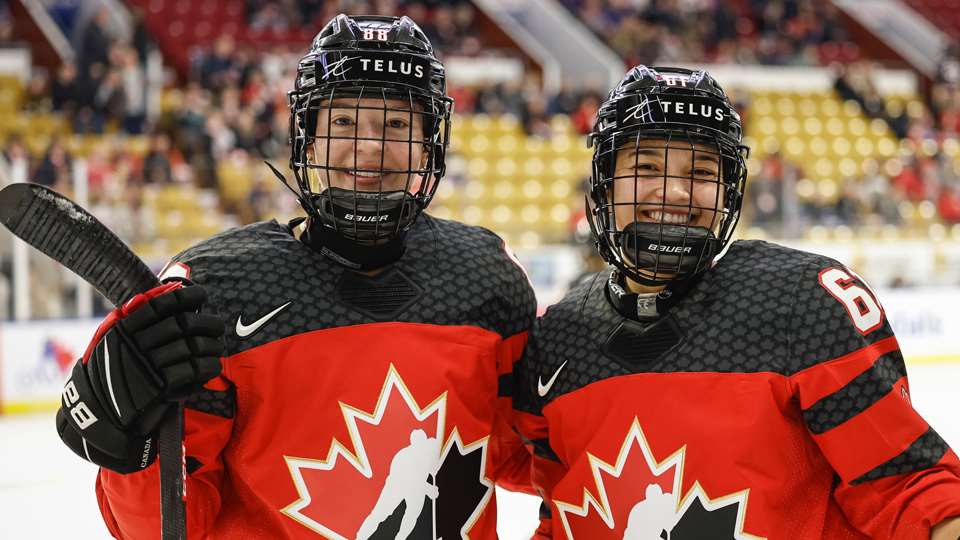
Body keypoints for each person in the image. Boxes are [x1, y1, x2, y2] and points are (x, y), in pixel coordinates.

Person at [55, 14, 536, 539]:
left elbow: (534, 455)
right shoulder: (217, 289)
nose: (370, 146)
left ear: (429, 145)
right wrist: (132, 451)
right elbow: (167, 528)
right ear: (307, 140)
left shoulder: (487, 277)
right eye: (345, 123)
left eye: (397, 124)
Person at [511, 65, 960, 539]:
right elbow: (564, 511)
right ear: (605, 180)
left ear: (731, 187)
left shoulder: (801, 301)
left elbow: (911, 490)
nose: (675, 191)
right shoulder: (560, 335)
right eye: (645, 167)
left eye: (702, 172)